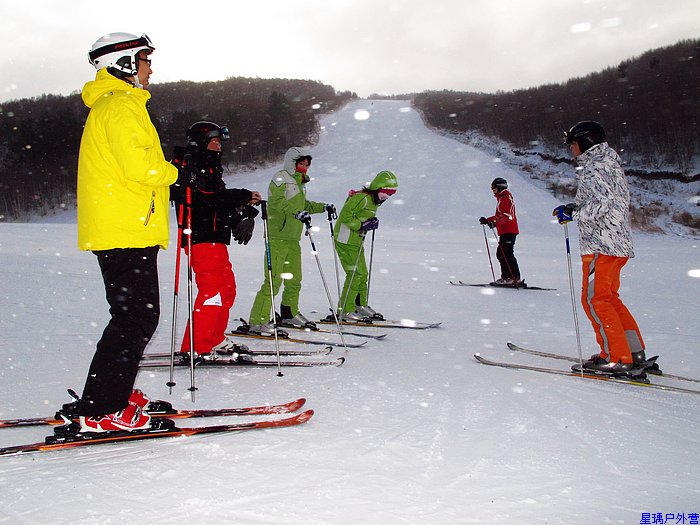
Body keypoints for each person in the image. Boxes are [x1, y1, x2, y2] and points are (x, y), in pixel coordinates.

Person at [76, 33, 178, 432]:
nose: (151, 68)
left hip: (125, 226)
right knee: (135, 319)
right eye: (145, 59)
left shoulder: (118, 104)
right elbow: (140, 168)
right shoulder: (120, 106)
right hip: (125, 228)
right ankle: (102, 409)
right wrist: (176, 173)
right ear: (125, 63)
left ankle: (109, 397)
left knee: (133, 317)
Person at [553, 120, 652, 377]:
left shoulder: (597, 166)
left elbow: (603, 205)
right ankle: (632, 352)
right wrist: (574, 208)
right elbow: (602, 200)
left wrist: (574, 214)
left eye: (573, 144)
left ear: (586, 142)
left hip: (602, 243)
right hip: (613, 243)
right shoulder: (606, 162)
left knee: (595, 301)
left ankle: (616, 357)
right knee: (608, 299)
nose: (571, 148)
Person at [170, 121, 262, 359]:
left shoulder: (210, 167)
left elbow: (216, 205)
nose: (218, 146)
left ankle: (214, 338)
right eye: (214, 141)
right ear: (201, 142)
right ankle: (196, 346)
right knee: (212, 292)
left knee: (227, 289)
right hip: (201, 239)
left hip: (215, 239)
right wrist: (243, 196)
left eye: (219, 142)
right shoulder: (193, 165)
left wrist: (242, 215)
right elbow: (210, 198)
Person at [246, 147, 334, 334]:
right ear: (292, 162)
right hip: (278, 236)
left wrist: (323, 207)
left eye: (307, 165)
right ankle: (258, 321)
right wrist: (296, 212)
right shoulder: (281, 178)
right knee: (273, 281)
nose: (305, 168)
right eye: (301, 163)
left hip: (293, 238)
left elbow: (304, 205)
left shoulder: (299, 183)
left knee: (295, 280)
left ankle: (289, 313)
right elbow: (276, 202)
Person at [334, 170, 398, 321]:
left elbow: (361, 216)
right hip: (345, 239)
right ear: (377, 188)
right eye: (385, 193)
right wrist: (362, 225)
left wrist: (371, 222)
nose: (386, 197)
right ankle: (345, 310)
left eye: (390, 194)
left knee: (362, 274)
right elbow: (345, 216)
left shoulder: (373, 201)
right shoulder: (361, 198)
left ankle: (359, 305)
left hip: (356, 240)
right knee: (355, 274)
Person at [479, 177, 522, 286]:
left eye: (494, 188)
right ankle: (509, 277)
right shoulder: (502, 198)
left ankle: (512, 278)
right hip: (506, 230)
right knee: (503, 254)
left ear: (499, 187)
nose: (492, 190)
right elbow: (501, 215)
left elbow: (507, 216)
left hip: (509, 230)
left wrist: (494, 223)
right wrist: (488, 220)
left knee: (505, 254)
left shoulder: (505, 198)